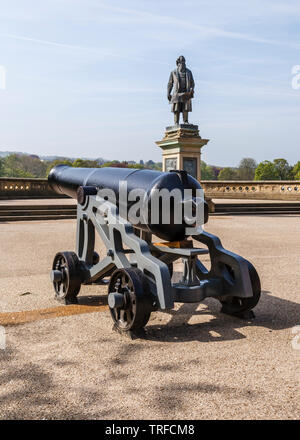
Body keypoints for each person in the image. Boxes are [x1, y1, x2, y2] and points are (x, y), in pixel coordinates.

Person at [167, 55, 195, 125]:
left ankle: (185, 121)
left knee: (185, 108)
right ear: (178, 63)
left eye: (184, 62)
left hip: (186, 93)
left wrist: (191, 89)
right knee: (176, 108)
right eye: (181, 62)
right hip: (177, 94)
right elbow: (170, 83)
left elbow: (192, 83)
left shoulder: (189, 72)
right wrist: (168, 93)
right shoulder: (173, 72)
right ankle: (176, 122)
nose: (183, 63)